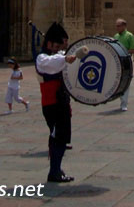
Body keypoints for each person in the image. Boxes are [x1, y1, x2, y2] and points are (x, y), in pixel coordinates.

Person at [34, 22, 78, 183]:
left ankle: (57, 169)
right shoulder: (42, 58)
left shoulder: (58, 56)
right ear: (49, 44)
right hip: (51, 103)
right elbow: (52, 63)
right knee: (57, 137)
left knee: (62, 137)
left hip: (61, 102)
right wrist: (65, 58)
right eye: (57, 45)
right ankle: (54, 172)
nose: (59, 48)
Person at [113, 18, 134, 110]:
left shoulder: (129, 36)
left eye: (118, 26)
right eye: (116, 26)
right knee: (118, 81)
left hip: (126, 61)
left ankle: (124, 103)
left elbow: (133, 49)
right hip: (117, 61)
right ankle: (121, 99)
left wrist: (123, 51)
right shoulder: (115, 36)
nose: (117, 28)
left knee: (126, 81)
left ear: (124, 26)